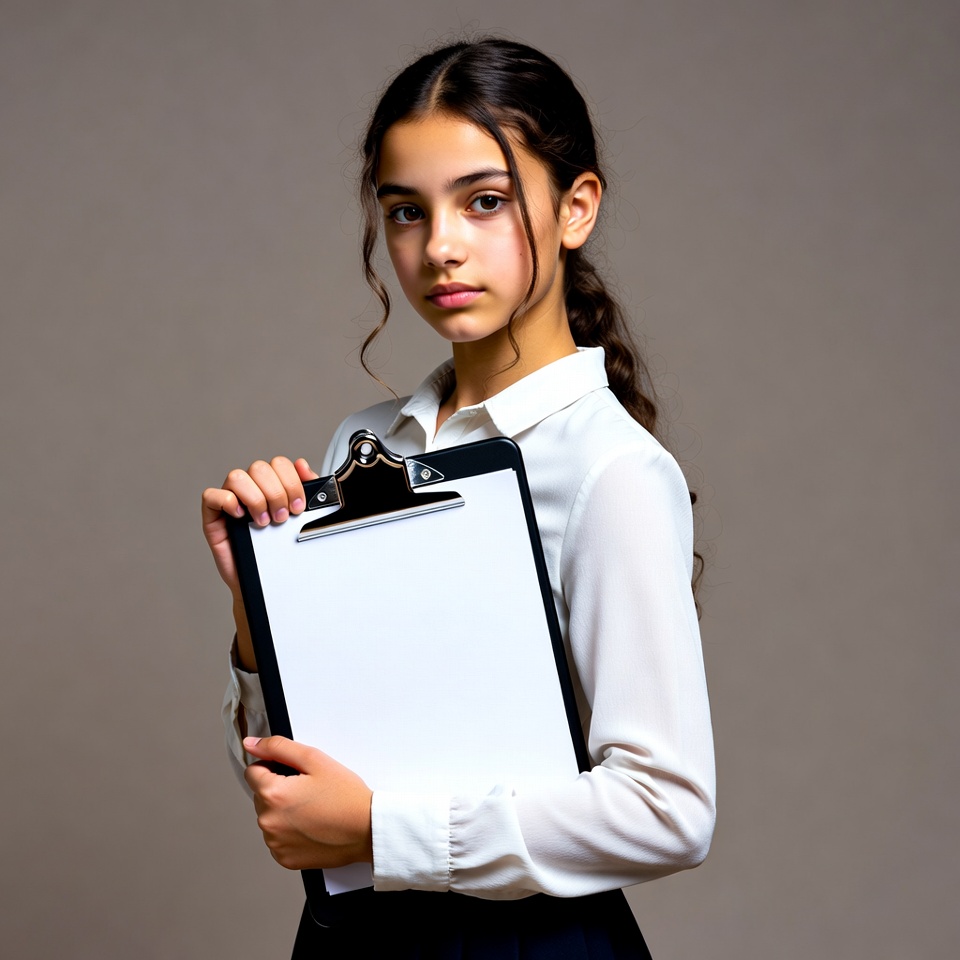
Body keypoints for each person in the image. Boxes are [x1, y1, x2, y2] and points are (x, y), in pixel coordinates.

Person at [202, 37, 715, 958]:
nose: (439, 247)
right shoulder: (366, 447)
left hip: (529, 946)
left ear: (576, 208)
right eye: (406, 211)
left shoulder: (611, 470)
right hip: (354, 938)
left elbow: (669, 811)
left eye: (485, 201)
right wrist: (254, 605)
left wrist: (385, 831)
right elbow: (296, 800)